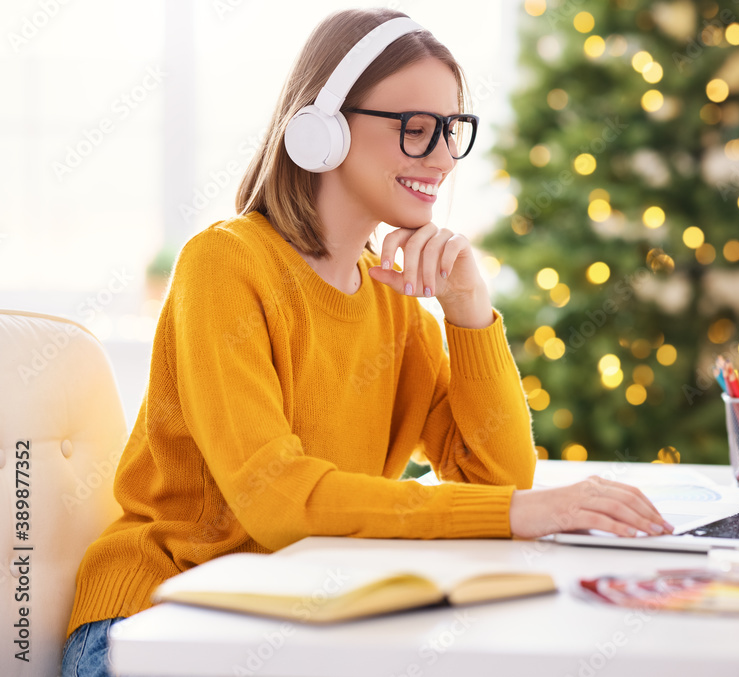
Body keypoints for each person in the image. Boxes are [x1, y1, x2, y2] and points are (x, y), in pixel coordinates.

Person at [61, 9, 671, 676]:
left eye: (452, 130)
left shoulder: (395, 302)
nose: (441, 157)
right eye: (415, 129)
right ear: (320, 128)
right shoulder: (225, 265)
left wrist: (469, 312)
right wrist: (523, 510)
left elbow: (495, 478)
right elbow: (279, 499)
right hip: (155, 621)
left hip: (298, 622)